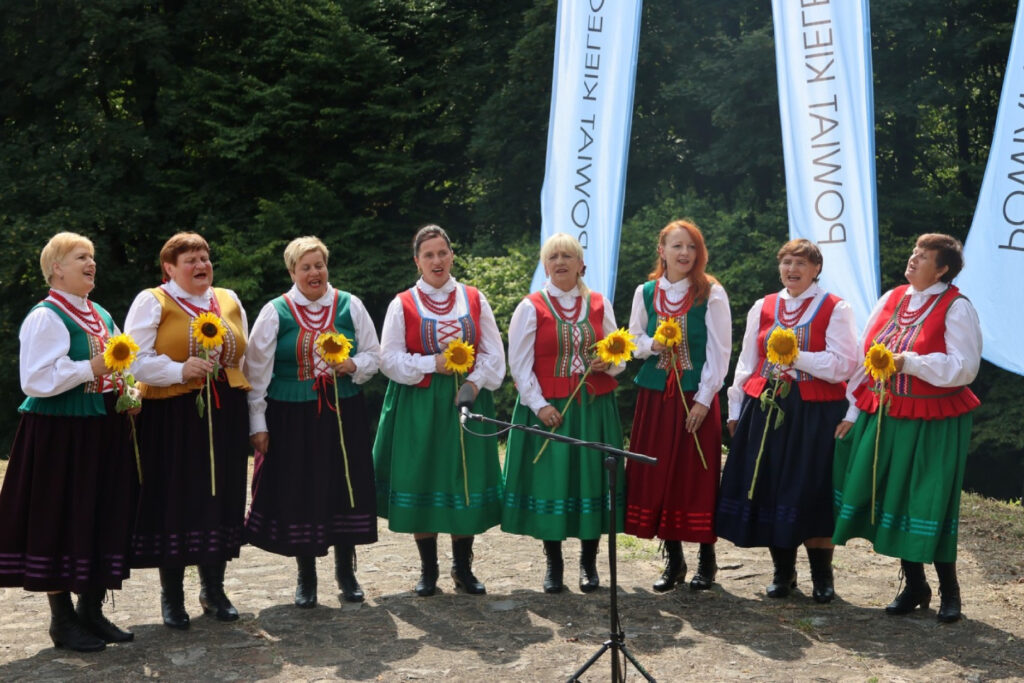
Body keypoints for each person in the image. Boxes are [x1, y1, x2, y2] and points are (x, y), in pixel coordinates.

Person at [0, 232, 139, 651]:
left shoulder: (101, 313)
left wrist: (130, 392)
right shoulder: (45, 316)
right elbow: (36, 380)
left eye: (93, 256)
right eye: (81, 256)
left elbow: (122, 361)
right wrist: (90, 367)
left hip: (101, 427)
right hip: (60, 431)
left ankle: (91, 613)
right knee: (58, 516)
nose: (91, 262)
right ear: (56, 268)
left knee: (101, 513)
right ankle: (62, 621)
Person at [832, 233, 981, 623]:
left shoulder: (956, 306)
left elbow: (964, 368)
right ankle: (915, 584)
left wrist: (909, 363)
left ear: (943, 268)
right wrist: (851, 411)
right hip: (885, 412)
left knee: (928, 499)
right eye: (914, 253)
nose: (913, 260)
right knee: (893, 494)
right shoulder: (892, 298)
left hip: (934, 420)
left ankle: (951, 592)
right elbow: (866, 359)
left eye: (924, 257)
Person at [716, 238, 858, 603]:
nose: (792, 270)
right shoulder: (763, 306)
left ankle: (822, 577)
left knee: (811, 490)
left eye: (801, 264)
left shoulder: (835, 308)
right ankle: (783, 573)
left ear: (816, 270)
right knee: (772, 487)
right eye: (786, 263)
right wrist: (735, 408)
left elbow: (844, 364)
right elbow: (747, 361)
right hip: (765, 408)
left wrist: (797, 358)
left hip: (813, 412)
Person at [124, 232, 251, 629]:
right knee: (177, 498)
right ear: (169, 268)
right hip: (172, 414)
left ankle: (213, 590)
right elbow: (133, 360)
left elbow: (246, 359)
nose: (201, 265)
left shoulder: (228, 299)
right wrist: (179, 369)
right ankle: (172, 596)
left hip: (225, 409)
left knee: (221, 494)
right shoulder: (153, 301)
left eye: (205, 257)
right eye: (190, 260)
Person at [245, 236, 380, 608]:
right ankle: (306, 577)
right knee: (300, 489)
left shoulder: (350, 305)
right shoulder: (277, 311)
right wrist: (258, 422)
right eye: (305, 267)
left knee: (344, 485)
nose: (314, 272)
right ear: (292, 272)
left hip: (342, 410)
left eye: (319, 265)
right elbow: (256, 371)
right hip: (291, 414)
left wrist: (353, 365)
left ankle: (346, 573)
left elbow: (375, 354)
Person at [373, 224, 505, 596]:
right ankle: (428, 570)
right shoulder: (402, 303)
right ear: (417, 260)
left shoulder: (474, 299)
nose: (437, 260)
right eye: (428, 254)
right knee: (424, 477)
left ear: (451, 255)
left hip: (466, 400)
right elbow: (389, 359)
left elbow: (495, 354)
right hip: (420, 403)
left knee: (461, 481)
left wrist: (472, 383)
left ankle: (463, 568)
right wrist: (434, 364)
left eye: (442, 253)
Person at [501, 232, 626, 594]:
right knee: (552, 482)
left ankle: (589, 563)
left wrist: (608, 363)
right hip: (550, 408)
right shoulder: (531, 307)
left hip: (592, 408)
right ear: (545, 265)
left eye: (567, 256)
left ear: (580, 264)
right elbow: (519, 365)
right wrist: (539, 406)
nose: (560, 262)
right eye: (553, 256)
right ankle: (554, 565)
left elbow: (618, 350)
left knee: (590, 478)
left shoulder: (599, 304)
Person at [623, 220, 732, 592]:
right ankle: (674, 561)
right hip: (655, 396)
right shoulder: (646, 291)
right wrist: (652, 345)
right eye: (677, 246)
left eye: (691, 247)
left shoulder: (711, 293)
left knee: (696, 474)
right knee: (659, 474)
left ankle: (707, 558)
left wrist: (704, 400)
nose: (685, 253)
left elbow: (720, 353)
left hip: (694, 396)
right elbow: (632, 337)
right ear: (662, 250)